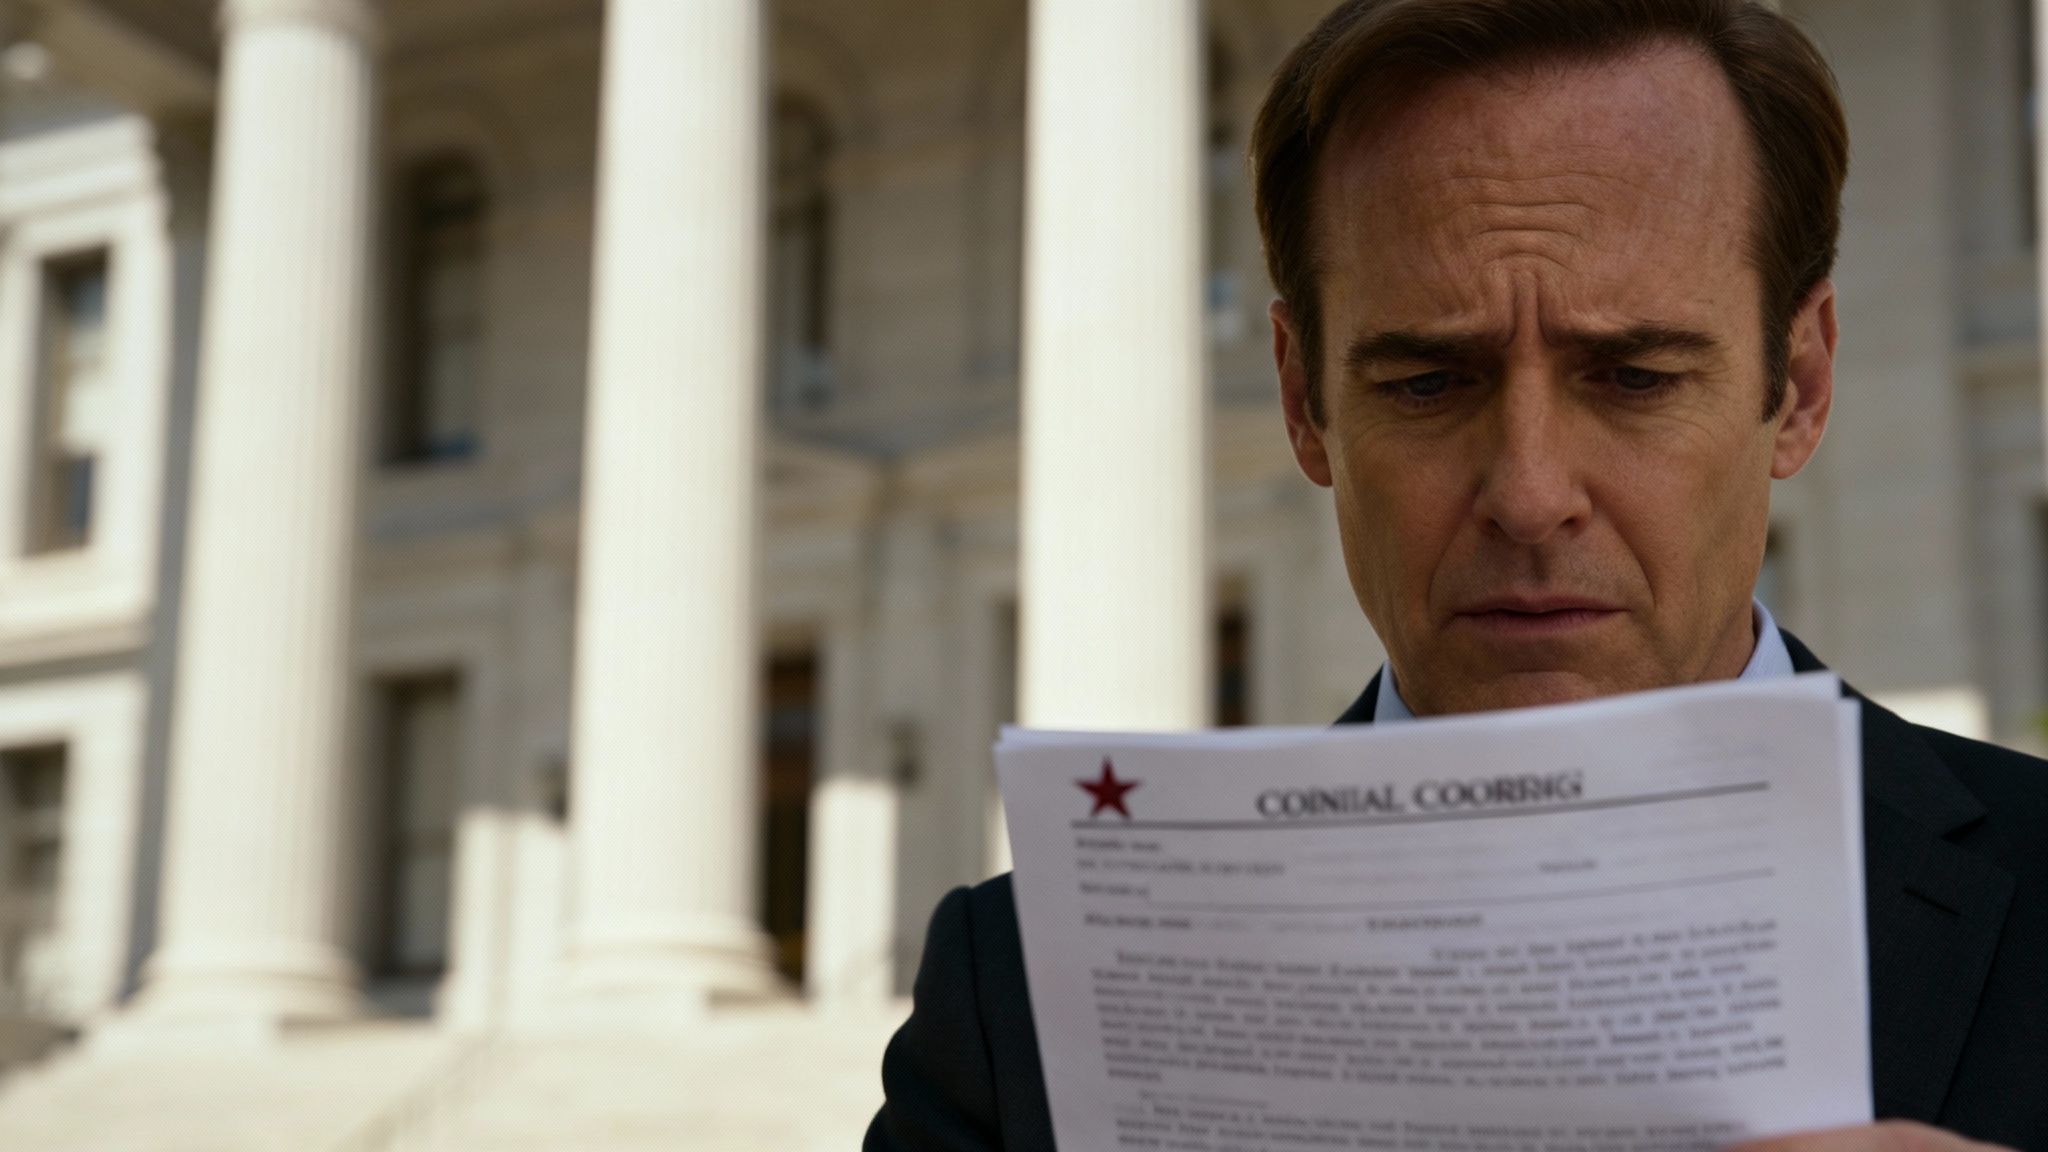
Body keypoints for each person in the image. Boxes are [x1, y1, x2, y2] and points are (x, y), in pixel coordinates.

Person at [864, 1, 2048, 1148]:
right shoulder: (1024, 997)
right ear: (1302, 402)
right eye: (1426, 383)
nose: (1528, 493)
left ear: (1797, 387)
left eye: (1633, 378)